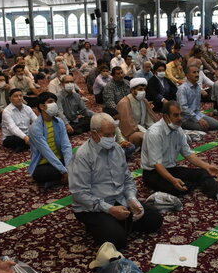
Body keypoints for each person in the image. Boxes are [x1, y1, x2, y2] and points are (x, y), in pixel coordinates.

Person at [68, 113, 163, 249]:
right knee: (117, 240)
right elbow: (79, 194)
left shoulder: (117, 149)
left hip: (119, 199)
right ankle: (102, 223)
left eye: (113, 134)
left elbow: (127, 179)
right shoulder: (83, 156)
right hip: (93, 207)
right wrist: (110, 210)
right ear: (94, 134)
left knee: (155, 220)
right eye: (107, 135)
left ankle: (116, 222)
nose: (112, 138)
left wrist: (131, 199)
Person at [141, 101, 218, 202]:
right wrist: (173, 180)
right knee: (176, 188)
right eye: (176, 115)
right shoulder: (155, 133)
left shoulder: (178, 129)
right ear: (165, 116)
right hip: (153, 173)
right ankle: (188, 184)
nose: (180, 118)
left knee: (202, 173)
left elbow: (188, 154)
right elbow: (157, 164)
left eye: (181, 114)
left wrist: (206, 166)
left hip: (171, 168)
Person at [28, 92, 73, 188]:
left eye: (55, 102)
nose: (54, 104)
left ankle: (58, 180)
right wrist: (64, 171)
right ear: (42, 106)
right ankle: (61, 178)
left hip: (60, 160)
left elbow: (66, 145)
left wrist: (69, 167)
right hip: (43, 163)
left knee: (80, 163)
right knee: (46, 173)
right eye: (50, 102)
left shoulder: (59, 122)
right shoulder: (35, 128)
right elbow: (46, 152)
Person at [116, 77, 160, 147]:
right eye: (140, 89)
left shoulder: (143, 100)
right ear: (132, 90)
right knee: (140, 136)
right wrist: (146, 132)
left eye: (144, 89)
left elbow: (150, 119)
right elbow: (127, 127)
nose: (143, 91)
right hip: (131, 132)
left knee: (160, 131)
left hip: (143, 128)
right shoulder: (124, 103)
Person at [177, 66, 218, 131]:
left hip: (197, 114)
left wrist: (199, 118)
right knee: (203, 127)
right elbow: (183, 109)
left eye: (198, 72)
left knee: (216, 125)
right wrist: (198, 119)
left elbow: (197, 108)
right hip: (185, 118)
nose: (197, 74)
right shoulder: (182, 89)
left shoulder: (197, 87)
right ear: (188, 75)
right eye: (194, 72)